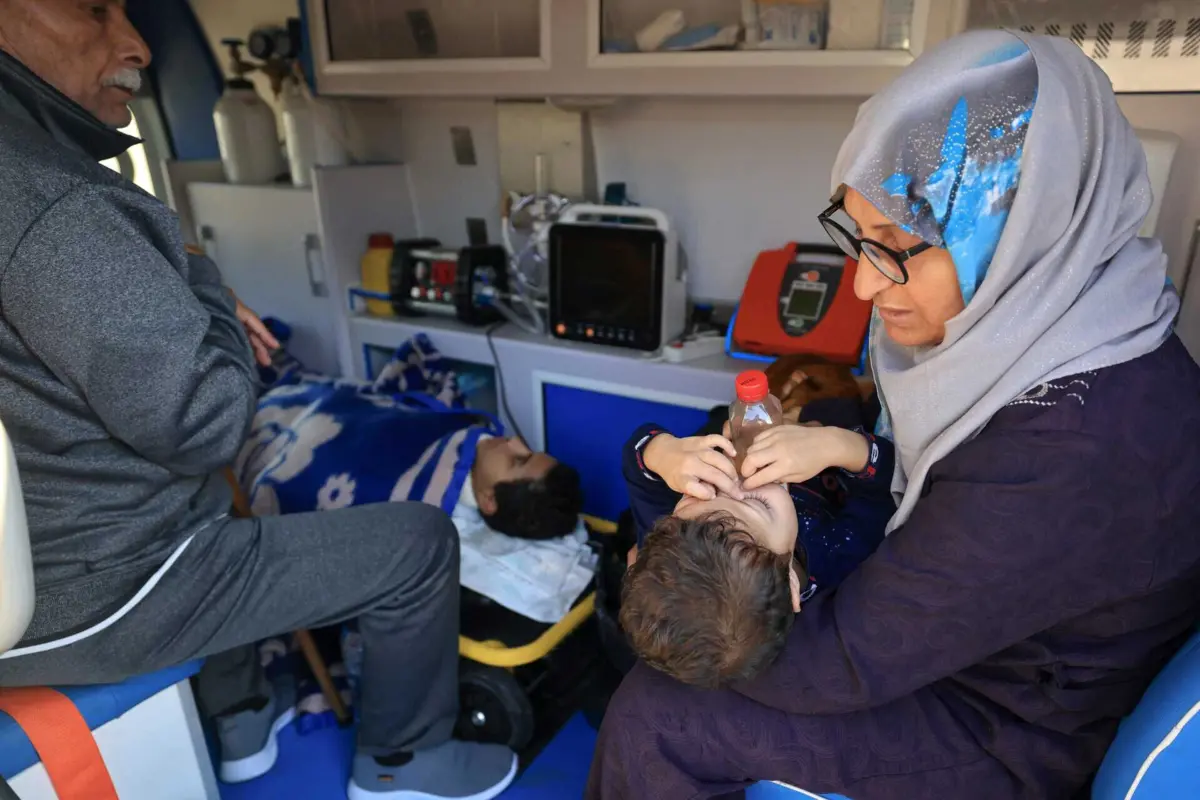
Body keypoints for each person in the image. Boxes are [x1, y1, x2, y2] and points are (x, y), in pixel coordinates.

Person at [588, 30, 1200, 800]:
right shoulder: (1076, 325)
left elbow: (845, 660)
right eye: (857, 238)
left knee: (662, 711)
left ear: (1023, 226)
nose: (865, 291)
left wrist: (701, 630)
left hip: (1008, 727)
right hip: (974, 651)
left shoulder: (1075, 445)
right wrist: (845, 449)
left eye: (898, 246)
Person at [0, 3, 516, 799]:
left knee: (216, 514)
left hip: (59, 566)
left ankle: (242, 722)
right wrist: (202, 276)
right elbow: (206, 425)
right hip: (106, 590)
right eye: (92, 7)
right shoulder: (56, 207)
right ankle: (404, 764)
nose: (135, 43)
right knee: (416, 543)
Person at [618, 396, 893, 689]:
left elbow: (639, 467)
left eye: (698, 493)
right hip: (834, 459)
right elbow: (885, 495)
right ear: (791, 584)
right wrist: (838, 445)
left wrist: (663, 454)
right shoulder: (835, 559)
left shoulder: (670, 546)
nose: (735, 477)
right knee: (831, 408)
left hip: (769, 430)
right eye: (757, 503)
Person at [238, 346, 583, 539]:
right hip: (322, 403)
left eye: (518, 461)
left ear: (488, 500)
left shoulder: (416, 508)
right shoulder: (464, 441)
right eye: (530, 451)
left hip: (271, 430)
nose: (517, 442)